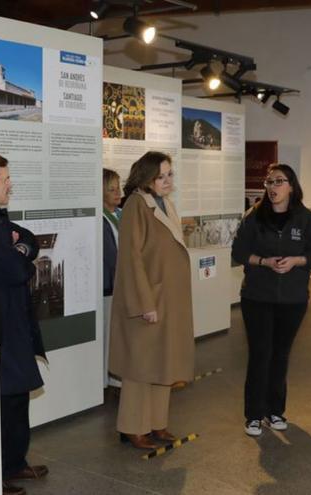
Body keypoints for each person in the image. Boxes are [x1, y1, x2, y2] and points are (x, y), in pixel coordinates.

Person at [0, 153, 47, 495]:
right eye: (5, 181)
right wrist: (20, 256)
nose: (10, 185)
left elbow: (30, 239)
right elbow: (19, 269)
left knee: (18, 394)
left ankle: (15, 463)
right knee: (2, 399)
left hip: (14, 319)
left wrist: (19, 249)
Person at [231, 164, 311, 437]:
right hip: (257, 297)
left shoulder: (306, 219)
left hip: (293, 299)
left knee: (280, 355)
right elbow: (239, 252)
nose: (272, 187)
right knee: (260, 354)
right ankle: (253, 415)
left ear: (292, 186)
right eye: (269, 182)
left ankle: (275, 411)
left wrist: (296, 261)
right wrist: (263, 261)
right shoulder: (254, 216)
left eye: (279, 181)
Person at [109, 151, 194, 450]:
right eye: (162, 176)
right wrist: (145, 303)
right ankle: (133, 427)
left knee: (163, 363)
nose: (169, 181)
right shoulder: (136, 204)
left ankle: (157, 424)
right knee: (141, 365)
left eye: (171, 174)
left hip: (167, 298)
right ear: (147, 177)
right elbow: (131, 259)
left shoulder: (165, 204)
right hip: (148, 299)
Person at [102, 168, 123, 389]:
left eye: (118, 187)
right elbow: (110, 257)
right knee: (110, 337)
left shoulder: (120, 214)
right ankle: (109, 378)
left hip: (121, 285)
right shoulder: (102, 219)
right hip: (110, 287)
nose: (118, 193)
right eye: (111, 189)